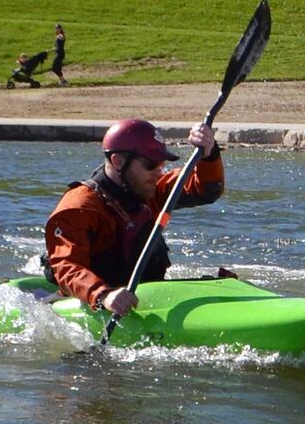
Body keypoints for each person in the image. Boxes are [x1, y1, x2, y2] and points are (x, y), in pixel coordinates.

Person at [43, 118, 224, 316]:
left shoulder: (150, 189)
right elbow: (66, 266)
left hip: (140, 295)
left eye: (162, 164)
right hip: (94, 300)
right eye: (151, 164)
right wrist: (103, 295)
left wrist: (209, 154)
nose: (159, 172)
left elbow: (205, 189)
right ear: (118, 162)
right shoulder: (79, 206)